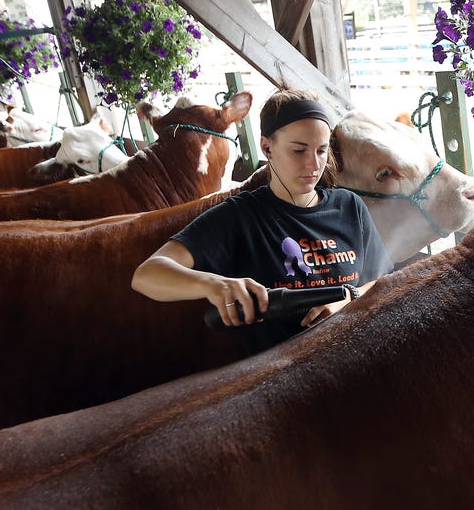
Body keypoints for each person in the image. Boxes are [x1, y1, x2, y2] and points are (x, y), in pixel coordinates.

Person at [131, 88, 393, 356]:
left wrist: (350, 298)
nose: (314, 164)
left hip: (360, 356)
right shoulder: (240, 216)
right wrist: (213, 285)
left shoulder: (349, 207)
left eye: (322, 150)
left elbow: (382, 280)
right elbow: (147, 275)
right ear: (267, 147)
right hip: (281, 375)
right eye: (299, 151)